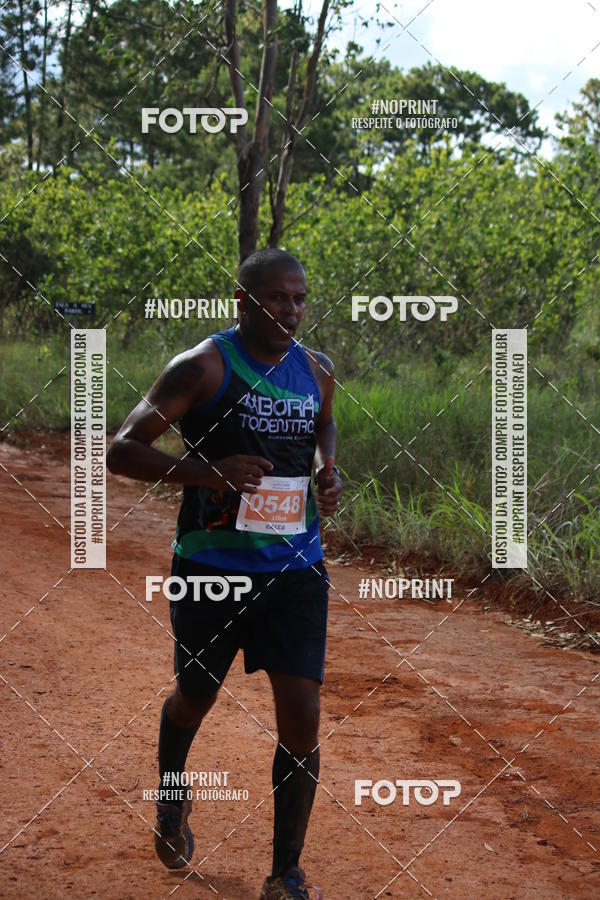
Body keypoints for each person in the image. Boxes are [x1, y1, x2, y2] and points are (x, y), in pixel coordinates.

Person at [107, 248, 342, 899]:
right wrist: (208, 473)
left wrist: (329, 471)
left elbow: (325, 427)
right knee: (195, 696)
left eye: (299, 298)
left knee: (301, 712)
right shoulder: (203, 366)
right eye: (277, 299)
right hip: (212, 569)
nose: (291, 310)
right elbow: (120, 450)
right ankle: (172, 795)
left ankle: (286, 874)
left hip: (296, 567)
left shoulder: (316, 369)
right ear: (243, 302)